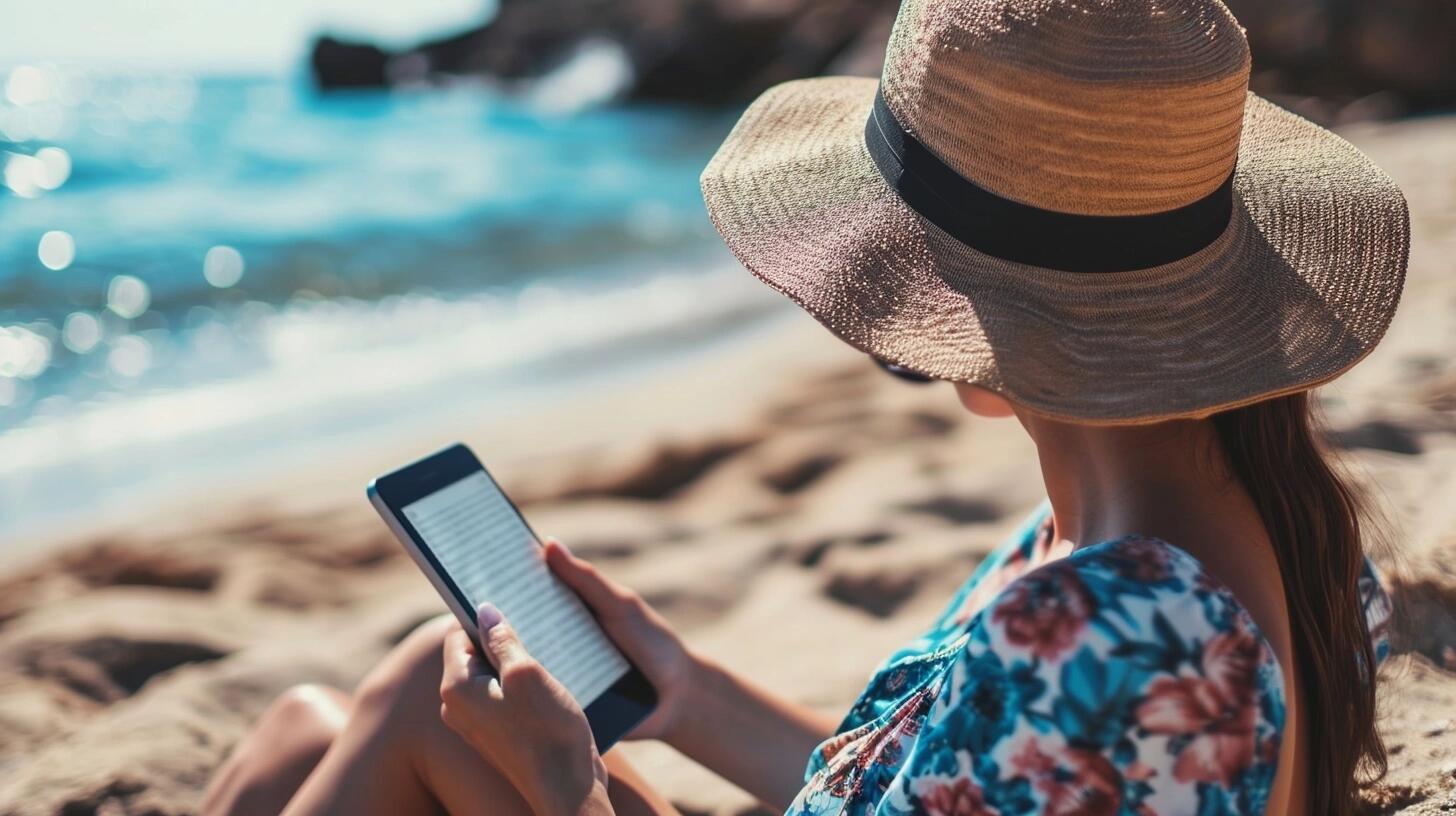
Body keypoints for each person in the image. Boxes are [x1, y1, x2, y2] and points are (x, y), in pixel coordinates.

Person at [202, 0, 1409, 812]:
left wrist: (575, 790)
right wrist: (685, 693)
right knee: (319, 726)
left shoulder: (1114, 628)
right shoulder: (1230, 531)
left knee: (408, 699)